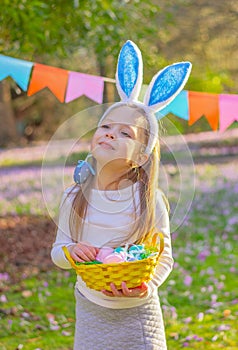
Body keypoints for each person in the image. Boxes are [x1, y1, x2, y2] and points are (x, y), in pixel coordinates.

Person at [51, 40, 192, 349]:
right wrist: (70, 253)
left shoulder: (149, 200)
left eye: (125, 133)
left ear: (141, 155)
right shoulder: (74, 197)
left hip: (138, 315)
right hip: (91, 310)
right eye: (105, 126)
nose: (110, 133)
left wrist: (146, 286)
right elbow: (58, 252)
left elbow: (164, 257)